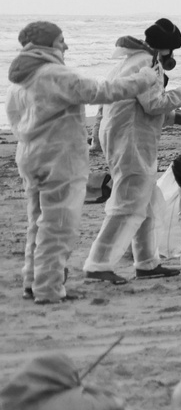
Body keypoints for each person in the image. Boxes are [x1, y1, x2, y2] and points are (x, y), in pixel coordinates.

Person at [8, 22, 162, 303]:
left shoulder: (22, 80)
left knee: (37, 223)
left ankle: (33, 283)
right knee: (58, 226)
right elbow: (100, 91)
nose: (65, 46)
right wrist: (145, 78)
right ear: (47, 45)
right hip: (59, 160)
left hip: (31, 156)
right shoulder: (54, 74)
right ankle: (49, 290)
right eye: (61, 41)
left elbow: (16, 123)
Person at [83, 19, 181, 285]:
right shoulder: (148, 65)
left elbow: (134, 104)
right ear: (166, 48)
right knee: (127, 202)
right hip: (131, 140)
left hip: (122, 134)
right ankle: (97, 264)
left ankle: (147, 262)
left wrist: (174, 117)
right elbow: (153, 105)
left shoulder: (129, 61)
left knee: (145, 201)